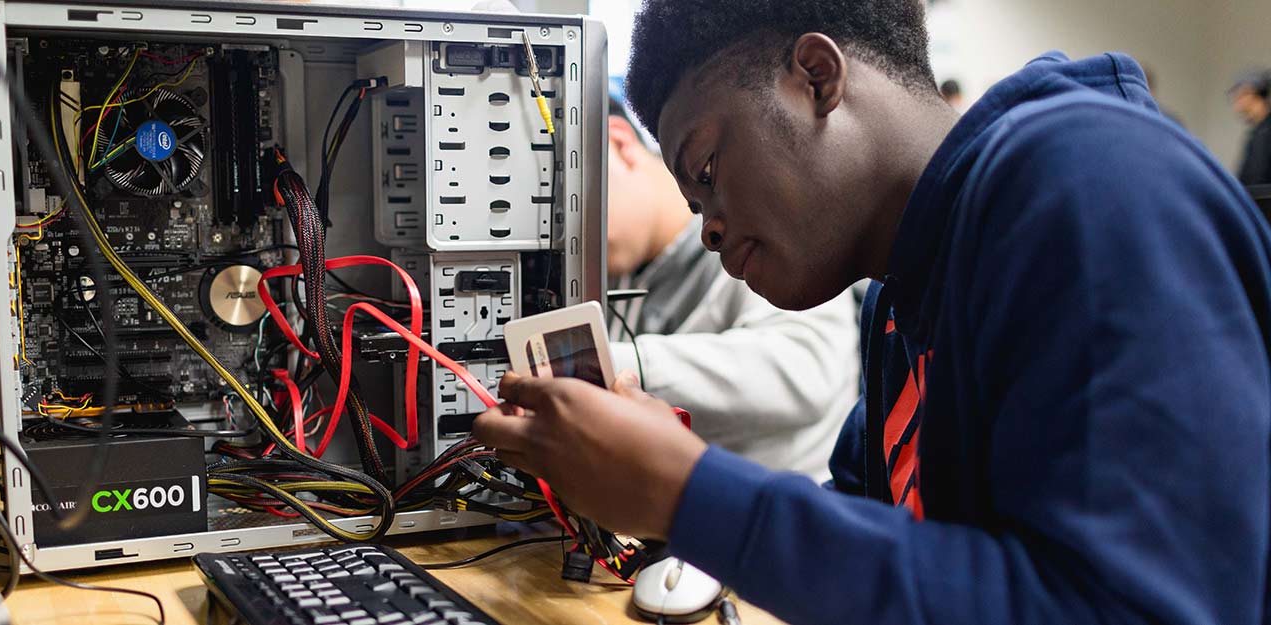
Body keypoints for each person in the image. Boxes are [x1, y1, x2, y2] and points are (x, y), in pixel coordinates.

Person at [473, 1, 1271, 624]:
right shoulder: (904, 294)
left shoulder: (1093, 186)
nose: (707, 225)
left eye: (710, 169)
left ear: (817, 77)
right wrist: (649, 485)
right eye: (692, 199)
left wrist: (689, 493)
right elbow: (870, 537)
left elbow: (1132, 607)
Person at [602, 97, 860, 477]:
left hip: (787, 512)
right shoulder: (623, 270)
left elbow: (805, 370)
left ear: (619, 144)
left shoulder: (759, 226)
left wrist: (620, 365)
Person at [1232, 69, 1271, 186]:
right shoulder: (1259, 131)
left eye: (1238, 94)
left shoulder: (1265, 133)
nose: (1235, 101)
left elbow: (1257, 177)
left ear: (1249, 92)